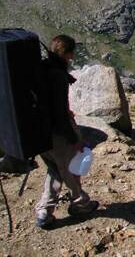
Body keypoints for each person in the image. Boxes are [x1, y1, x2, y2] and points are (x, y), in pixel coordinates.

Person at [35, 35, 98, 229]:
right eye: (72, 54)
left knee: (55, 169)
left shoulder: (40, 69)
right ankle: (80, 204)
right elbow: (60, 114)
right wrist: (74, 140)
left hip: (38, 131)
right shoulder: (58, 76)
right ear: (68, 53)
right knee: (70, 168)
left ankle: (45, 211)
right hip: (58, 134)